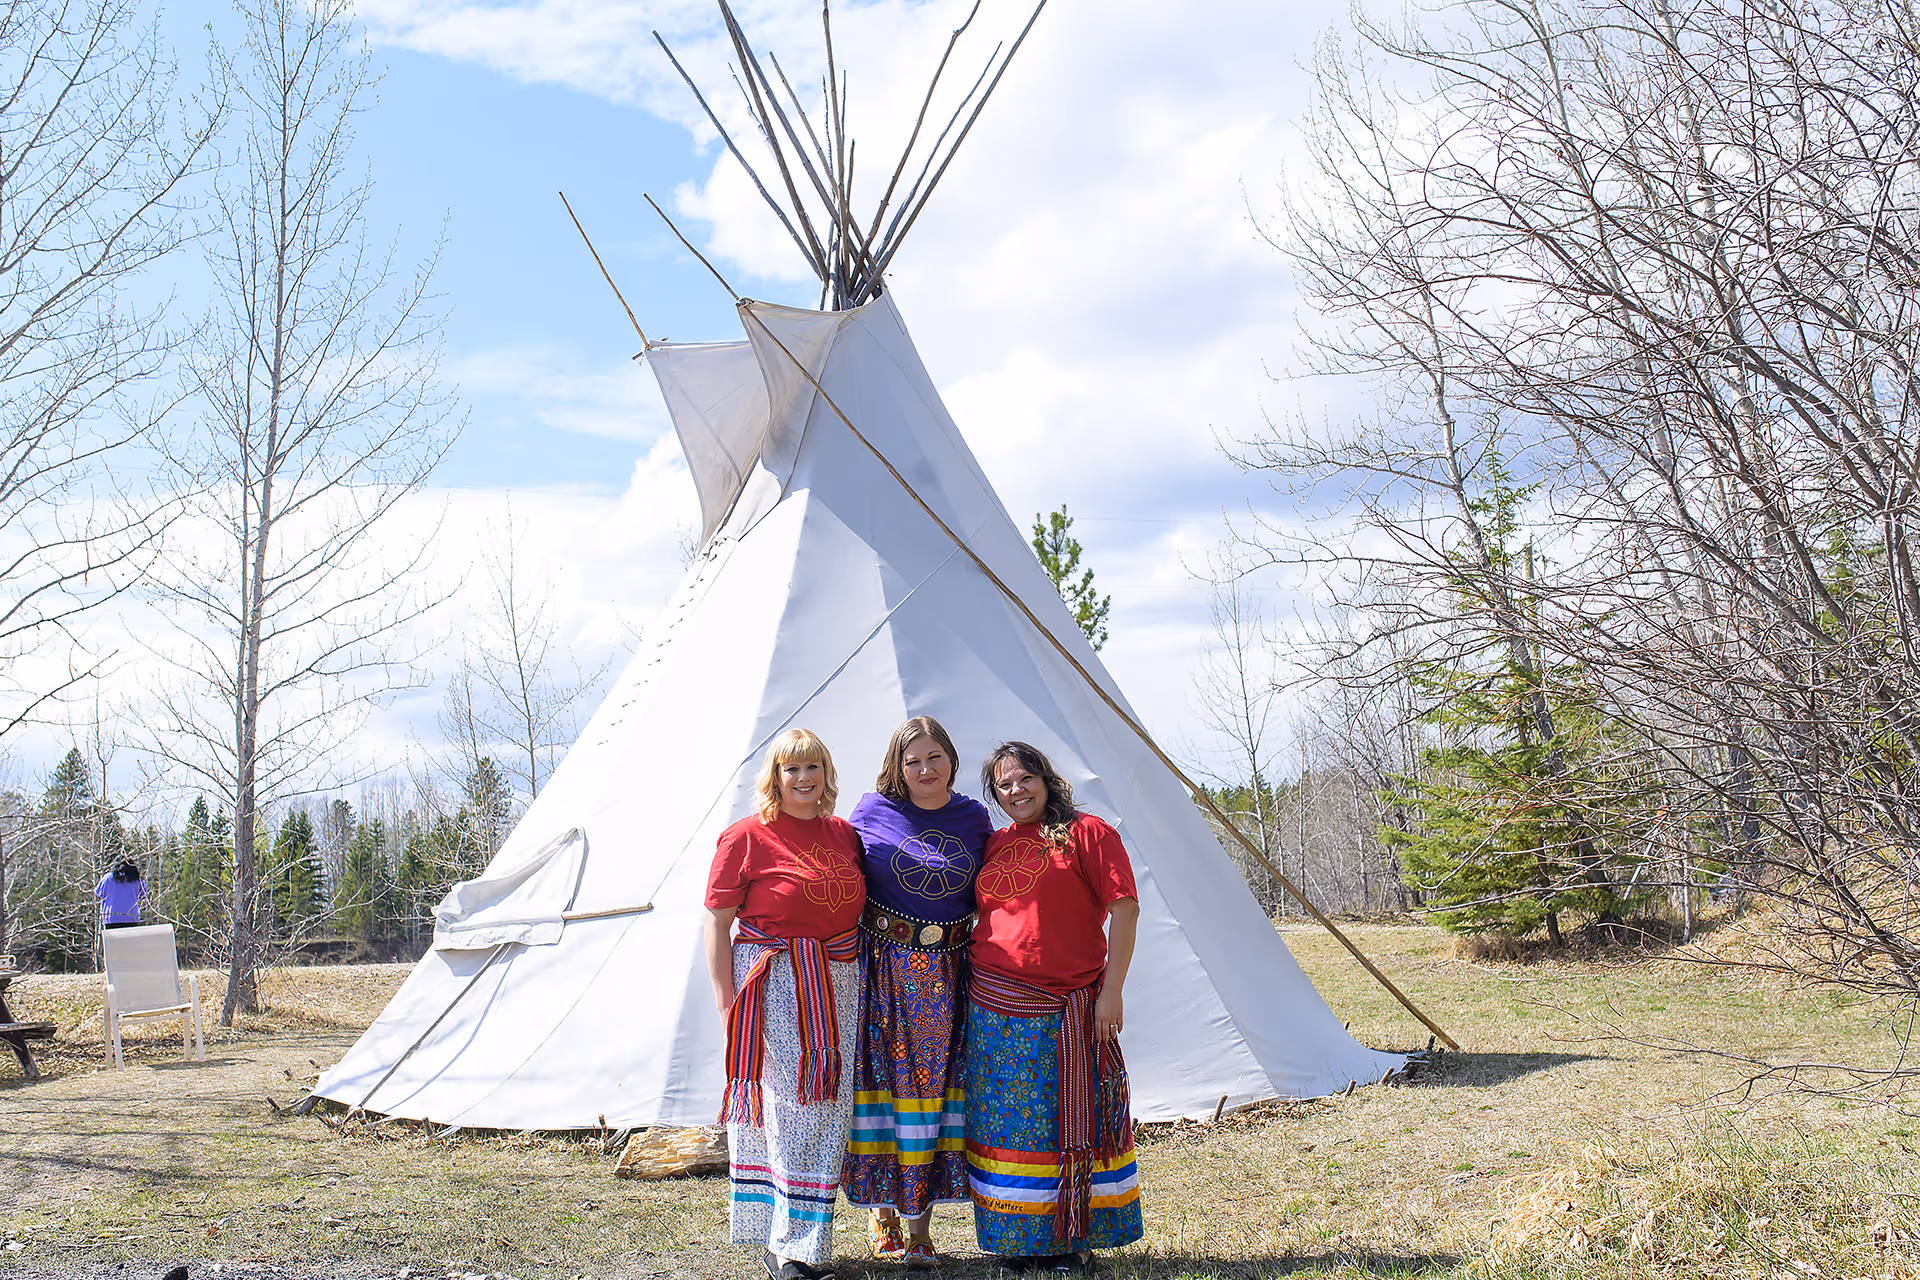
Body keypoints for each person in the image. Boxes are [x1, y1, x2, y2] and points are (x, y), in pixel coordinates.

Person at [965, 742, 1143, 1275]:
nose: (1015, 791)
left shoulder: (1088, 834)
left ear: (1045, 778)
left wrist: (1112, 991)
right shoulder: (994, 844)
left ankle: (1067, 1240)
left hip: (1067, 1005)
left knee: (1066, 1124)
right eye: (1004, 785)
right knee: (1005, 1126)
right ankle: (1014, 1242)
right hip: (995, 1006)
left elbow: (1126, 911)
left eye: (1024, 779)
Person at [706, 728, 868, 1280]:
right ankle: (789, 1246)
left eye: (812, 768)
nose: (802, 779)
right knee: (788, 1106)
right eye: (790, 769)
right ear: (774, 777)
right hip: (773, 982)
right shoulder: (745, 836)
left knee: (829, 1106)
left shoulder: (844, 834)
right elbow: (718, 923)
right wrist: (727, 999)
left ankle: (800, 1238)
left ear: (826, 773)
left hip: (838, 982)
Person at [842, 717, 992, 1269]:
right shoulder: (870, 812)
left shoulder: (974, 818)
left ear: (951, 758)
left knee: (932, 1091)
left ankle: (921, 1226)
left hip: (950, 972)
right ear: (897, 767)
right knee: (881, 1082)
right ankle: (882, 1219)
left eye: (934, 757)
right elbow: (837, 876)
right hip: (882, 968)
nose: (925, 769)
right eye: (913, 761)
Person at [95, 861, 145, 930]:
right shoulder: (137, 879)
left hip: (111, 917)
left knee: (112, 941)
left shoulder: (108, 878)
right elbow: (144, 895)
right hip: (131, 917)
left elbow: (98, 892)